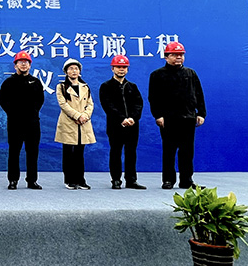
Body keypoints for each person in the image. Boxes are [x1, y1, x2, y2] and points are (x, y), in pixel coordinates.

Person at [148, 41, 206, 190]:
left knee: (187, 151)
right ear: (166, 57)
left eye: (181, 55)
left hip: (188, 118)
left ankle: (186, 180)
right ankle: (168, 180)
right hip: (168, 119)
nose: (179, 57)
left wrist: (201, 113)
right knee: (169, 150)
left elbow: (199, 94)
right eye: (175, 55)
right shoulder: (157, 75)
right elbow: (153, 98)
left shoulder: (191, 74)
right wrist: (158, 115)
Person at [0, 50, 44, 190]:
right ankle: (13, 180)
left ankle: (32, 180)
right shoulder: (8, 82)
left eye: (26, 62)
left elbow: (40, 100)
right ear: (15, 65)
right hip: (15, 123)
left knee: (33, 152)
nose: (23, 64)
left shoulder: (36, 82)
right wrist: (13, 113)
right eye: (20, 62)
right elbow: (2, 100)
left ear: (30, 65)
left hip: (33, 123)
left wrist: (32, 113)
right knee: (14, 152)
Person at [99, 55, 145, 190]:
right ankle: (116, 179)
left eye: (124, 67)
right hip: (115, 125)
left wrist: (133, 118)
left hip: (132, 126)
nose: (121, 69)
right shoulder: (106, 86)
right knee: (116, 152)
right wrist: (121, 119)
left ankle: (131, 180)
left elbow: (138, 104)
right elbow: (107, 105)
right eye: (118, 67)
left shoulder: (132, 86)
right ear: (112, 68)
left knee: (131, 153)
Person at [55, 58, 96, 190]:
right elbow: (63, 104)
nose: (74, 71)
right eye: (71, 68)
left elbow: (90, 104)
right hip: (68, 122)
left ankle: (81, 180)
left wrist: (85, 116)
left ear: (79, 71)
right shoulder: (61, 87)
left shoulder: (85, 87)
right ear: (66, 71)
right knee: (68, 153)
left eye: (76, 69)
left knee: (79, 153)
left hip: (83, 123)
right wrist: (77, 116)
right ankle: (69, 180)